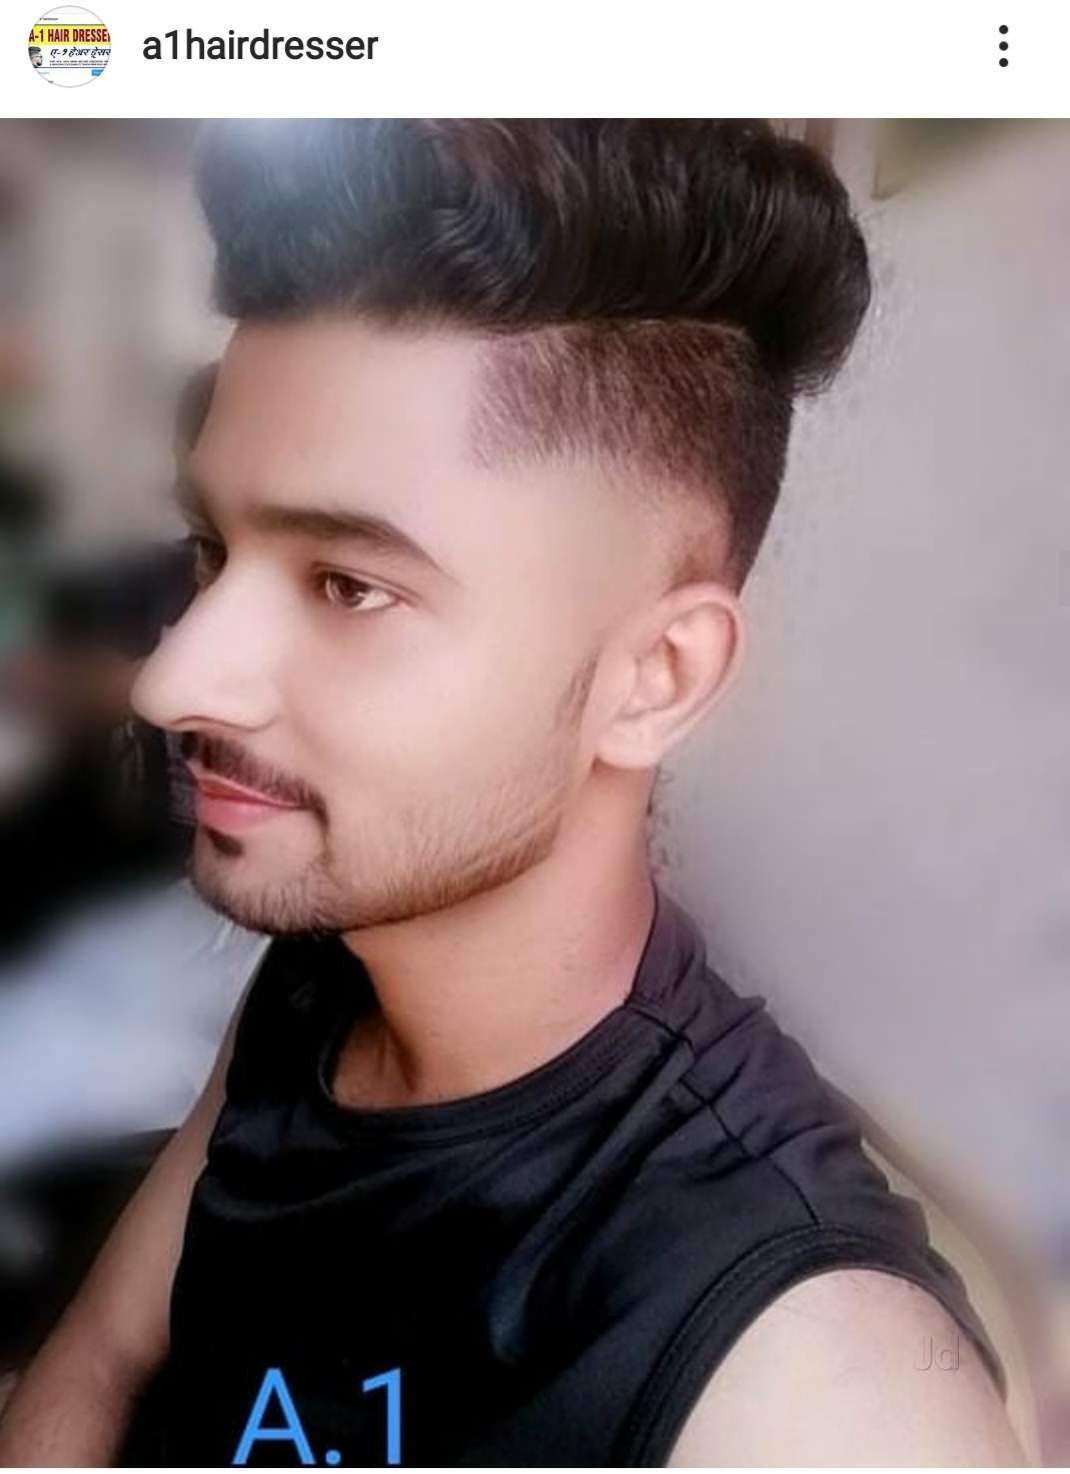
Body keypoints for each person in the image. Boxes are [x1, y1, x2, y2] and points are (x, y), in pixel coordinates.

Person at [0, 120, 1026, 1466]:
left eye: (349, 585)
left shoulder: (804, 1370)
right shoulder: (331, 964)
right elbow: (109, 1349)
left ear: (654, 679)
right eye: (212, 547)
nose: (172, 677)